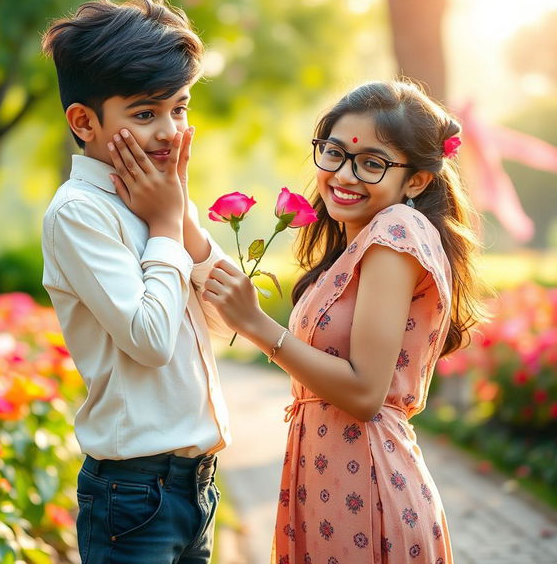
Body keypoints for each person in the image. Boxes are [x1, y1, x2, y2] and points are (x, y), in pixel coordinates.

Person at [203, 80, 486, 563]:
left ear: (416, 181)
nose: (343, 174)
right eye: (333, 152)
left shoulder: (396, 233)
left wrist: (256, 326)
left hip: (369, 486)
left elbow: (363, 392)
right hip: (332, 480)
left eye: (371, 163)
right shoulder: (358, 244)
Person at [41, 0, 232, 564]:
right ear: (85, 122)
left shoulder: (163, 201)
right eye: (146, 114)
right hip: (131, 494)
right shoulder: (80, 212)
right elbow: (149, 340)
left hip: (195, 486)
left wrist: (182, 222)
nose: (171, 131)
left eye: (180, 107)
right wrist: (168, 227)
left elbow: (229, 323)